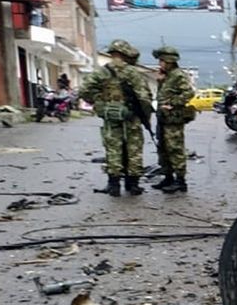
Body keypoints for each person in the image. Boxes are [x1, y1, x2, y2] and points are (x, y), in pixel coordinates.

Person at [79, 39, 153, 197]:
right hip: (131, 117)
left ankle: (113, 185)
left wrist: (99, 101)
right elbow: (144, 97)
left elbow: (84, 90)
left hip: (110, 117)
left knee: (113, 149)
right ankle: (133, 185)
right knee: (133, 149)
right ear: (126, 54)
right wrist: (144, 117)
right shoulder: (133, 72)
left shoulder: (102, 71)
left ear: (112, 54)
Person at [151, 46, 196, 193]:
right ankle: (168, 177)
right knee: (163, 149)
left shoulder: (178, 75)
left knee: (175, 149)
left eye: (162, 60)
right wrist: (160, 81)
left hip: (173, 120)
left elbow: (189, 93)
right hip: (163, 118)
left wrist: (173, 103)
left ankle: (180, 181)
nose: (160, 63)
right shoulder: (166, 76)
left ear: (169, 61)